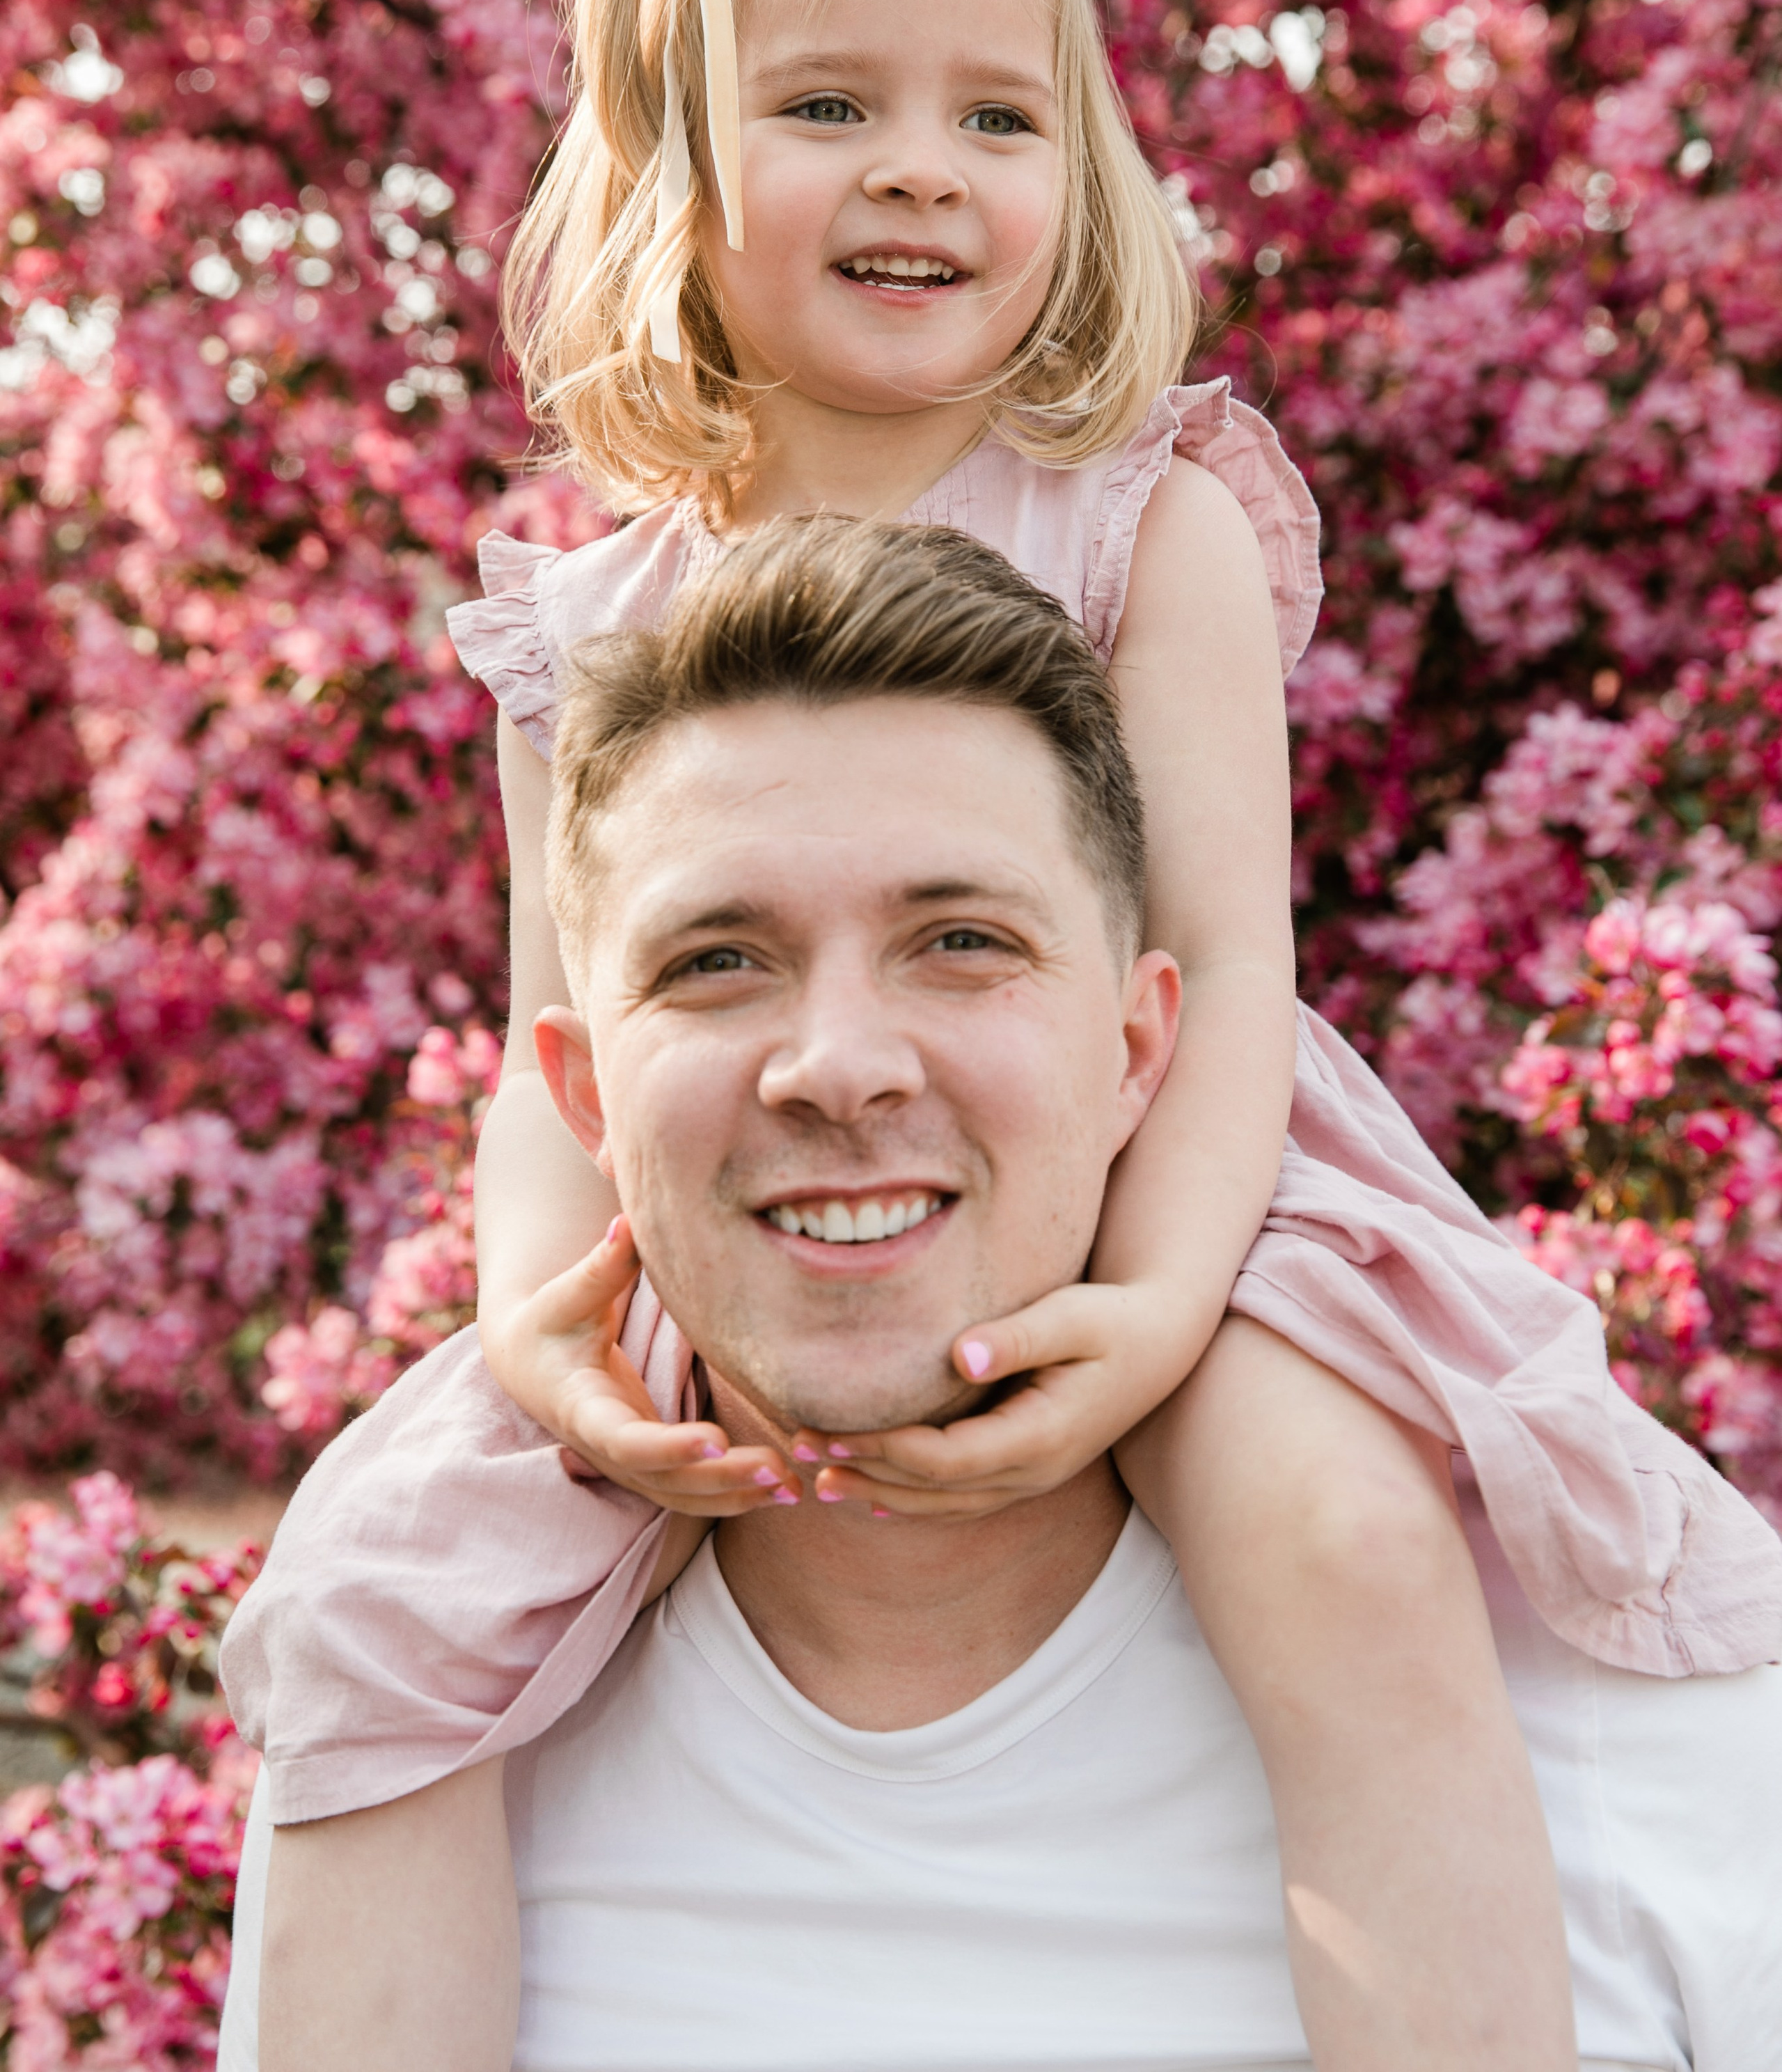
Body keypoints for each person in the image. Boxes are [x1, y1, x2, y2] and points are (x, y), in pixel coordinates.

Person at [221, 0, 1782, 2069]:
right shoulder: (596, 618)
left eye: (997, 115)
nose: (922, 171)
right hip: (733, 1227)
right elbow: (555, 1034)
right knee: (390, 1591)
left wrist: (1152, 1314)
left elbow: (1224, 968)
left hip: (1185, 1194)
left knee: (1340, 1544)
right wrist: (537, 1349)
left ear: (1085, 172)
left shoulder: (1150, 517)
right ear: (677, 166)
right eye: (830, 106)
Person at [220, 515, 1782, 2072]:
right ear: (581, 1097)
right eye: (715, 960)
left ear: (1135, 1052)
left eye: (960, 942)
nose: (836, 1066)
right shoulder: (416, 1735)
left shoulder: (1661, 1773)